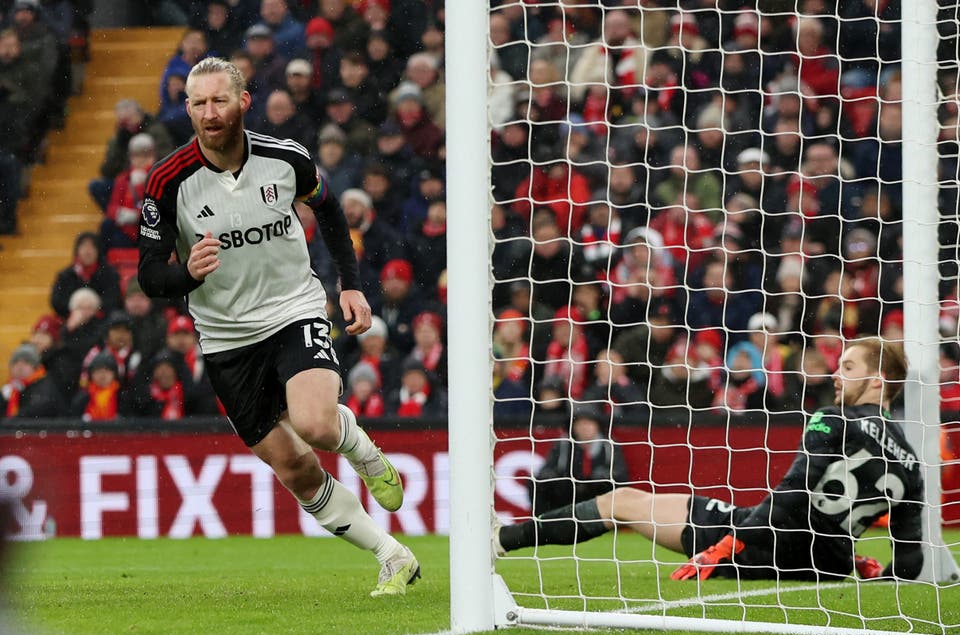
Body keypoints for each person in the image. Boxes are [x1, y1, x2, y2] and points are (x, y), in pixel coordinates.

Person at [136, 57, 418, 596]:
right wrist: (185, 274)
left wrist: (350, 284)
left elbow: (329, 210)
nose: (209, 113)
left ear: (244, 102)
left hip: (293, 309)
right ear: (187, 109)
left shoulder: (285, 158)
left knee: (314, 423)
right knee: (295, 468)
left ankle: (361, 451)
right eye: (198, 103)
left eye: (219, 100)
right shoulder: (167, 182)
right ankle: (392, 555)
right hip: (225, 338)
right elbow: (149, 275)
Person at [497, 338, 925, 582]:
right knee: (630, 500)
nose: (835, 374)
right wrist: (853, 563)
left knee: (622, 501)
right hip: (826, 566)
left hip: (764, 543)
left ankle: (501, 540)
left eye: (847, 367)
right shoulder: (911, 466)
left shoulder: (834, 419)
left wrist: (726, 545)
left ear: (877, 380)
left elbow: (793, 493)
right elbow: (910, 562)